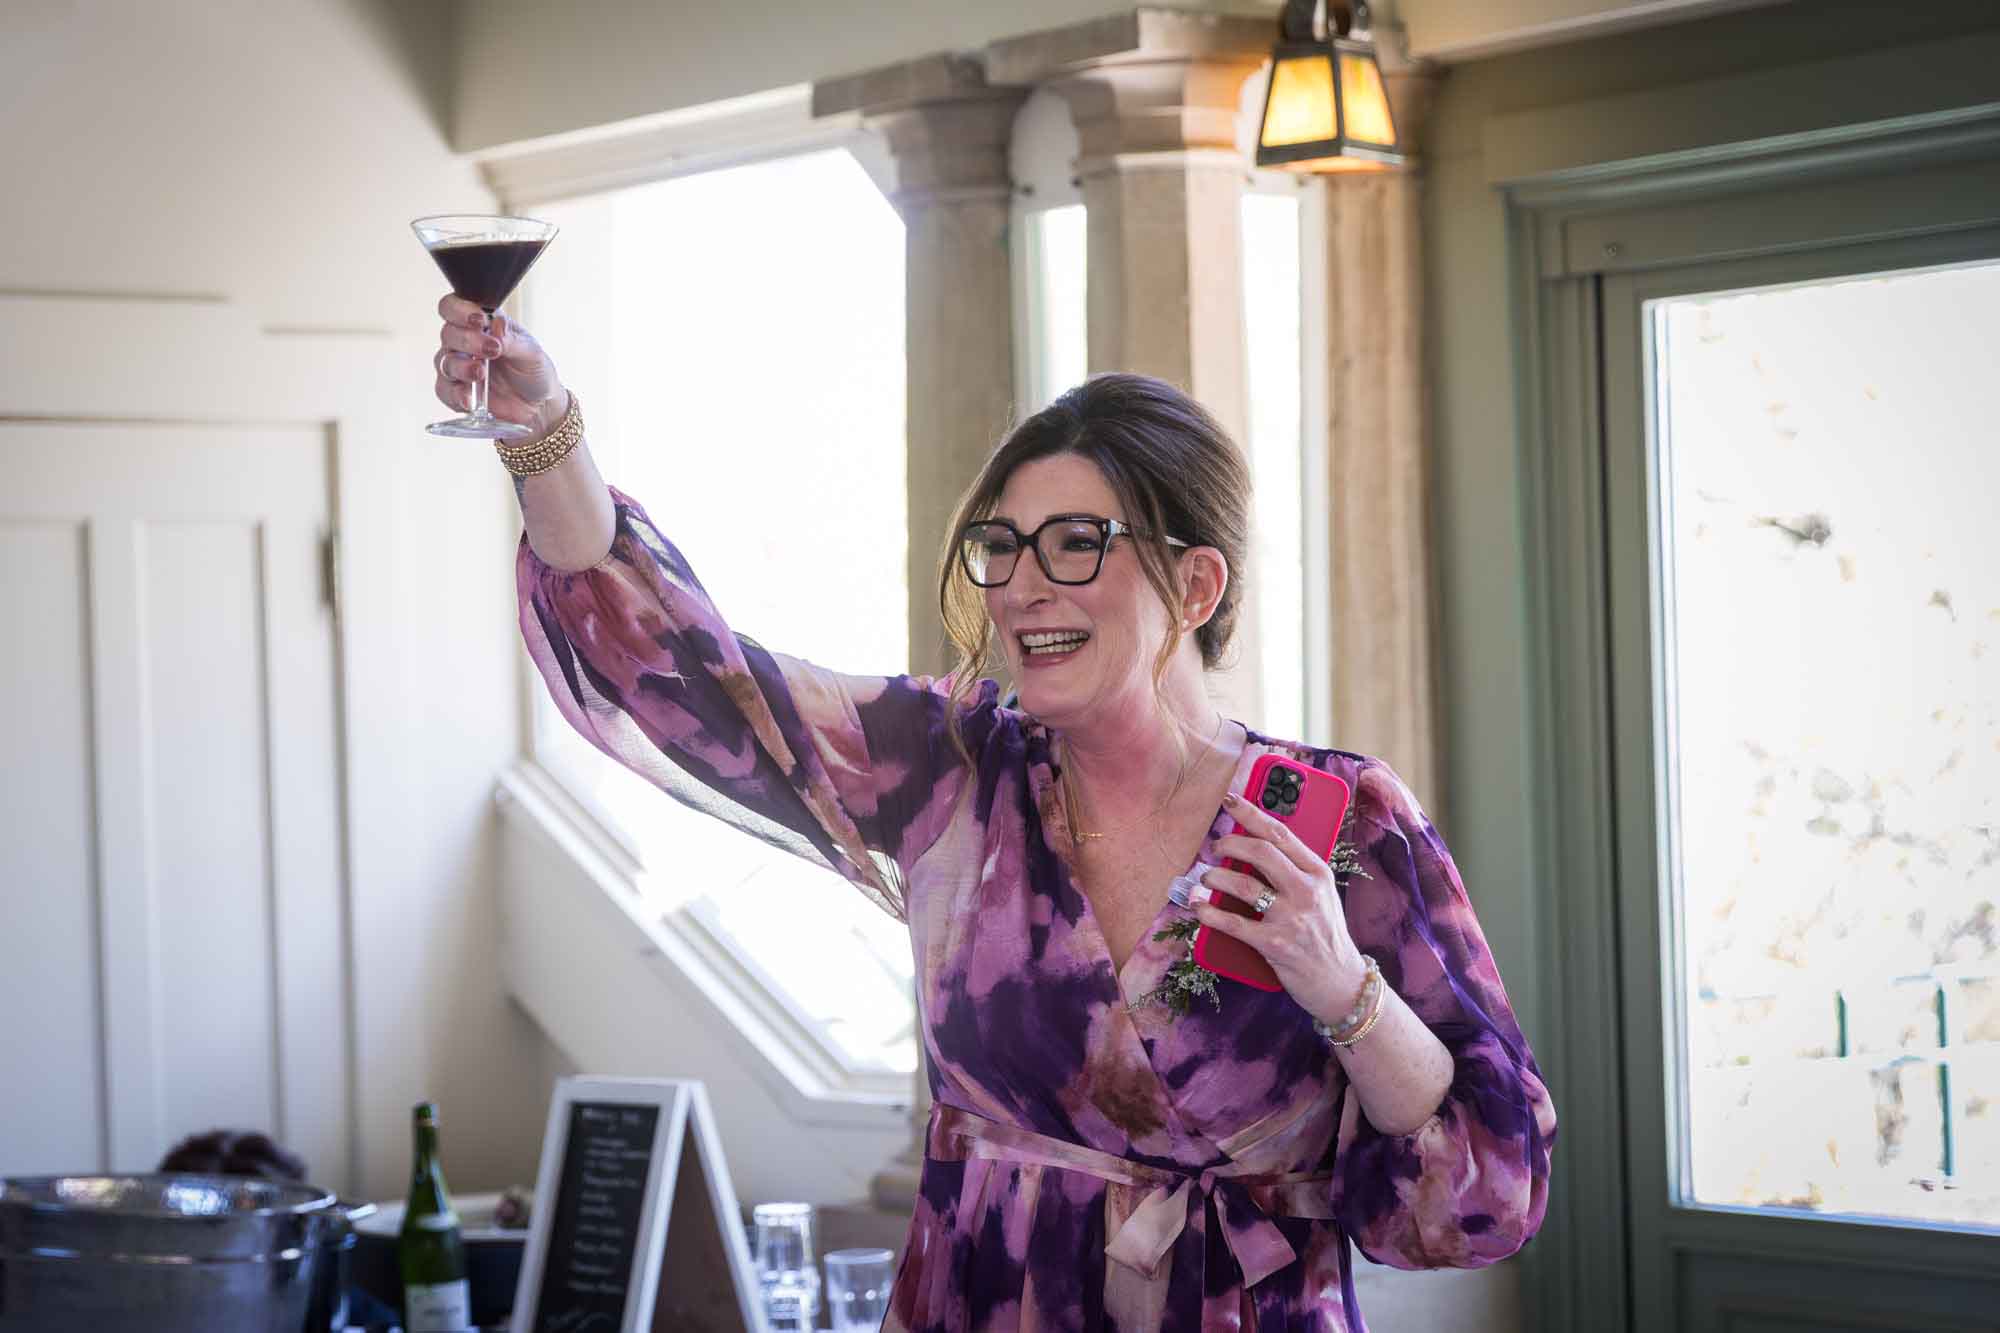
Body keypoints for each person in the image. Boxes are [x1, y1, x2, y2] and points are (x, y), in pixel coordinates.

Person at [432, 293, 1556, 1332]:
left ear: (1196, 586)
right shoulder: (954, 767)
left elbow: (1486, 1191)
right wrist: (546, 432)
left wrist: (1340, 987)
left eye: (1075, 543)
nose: (1020, 587)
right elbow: (683, 671)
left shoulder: (1335, 817)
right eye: (1002, 547)